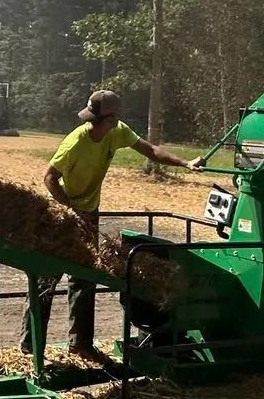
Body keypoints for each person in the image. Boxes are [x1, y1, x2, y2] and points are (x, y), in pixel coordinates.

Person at [32, 88, 201, 359]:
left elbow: (151, 150)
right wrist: (69, 208)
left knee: (85, 277)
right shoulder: (75, 143)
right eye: (91, 118)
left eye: (97, 118)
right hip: (61, 214)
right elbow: (50, 178)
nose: (92, 123)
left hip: (89, 213)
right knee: (46, 279)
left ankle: (80, 345)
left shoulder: (117, 132)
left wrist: (186, 163)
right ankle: (30, 348)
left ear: (111, 120)